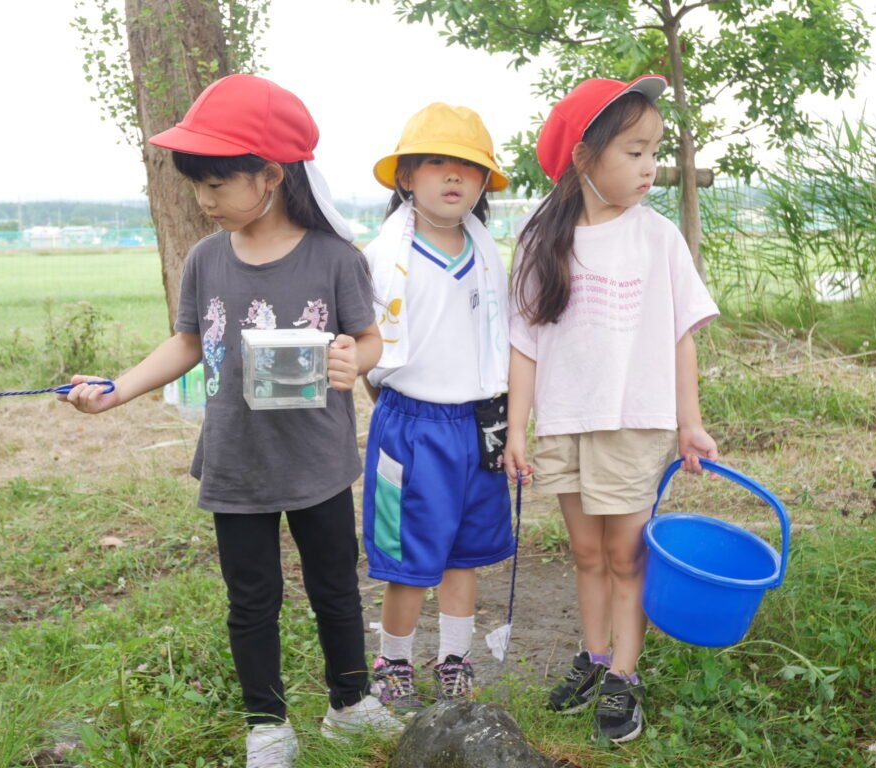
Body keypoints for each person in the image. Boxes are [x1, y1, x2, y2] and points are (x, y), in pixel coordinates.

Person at [59, 74, 401, 768]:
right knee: (251, 599)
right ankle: (266, 725)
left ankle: (349, 703)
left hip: (318, 463)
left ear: (271, 175)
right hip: (236, 462)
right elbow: (187, 342)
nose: (203, 199)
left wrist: (349, 357)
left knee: (334, 585)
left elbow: (369, 341)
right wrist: (116, 389)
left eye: (217, 183)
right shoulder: (206, 260)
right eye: (196, 185)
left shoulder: (335, 259)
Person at [503, 75, 720, 744]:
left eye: (655, 149)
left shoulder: (658, 240)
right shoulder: (543, 236)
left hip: (634, 421)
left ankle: (627, 675)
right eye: (634, 151)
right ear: (583, 158)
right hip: (565, 422)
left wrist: (690, 421)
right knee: (586, 552)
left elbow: (681, 334)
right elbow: (525, 344)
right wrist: (516, 430)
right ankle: (594, 659)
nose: (651, 165)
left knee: (626, 555)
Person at [361, 103, 514, 714]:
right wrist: (398, 409)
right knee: (407, 557)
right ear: (405, 178)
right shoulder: (382, 256)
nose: (453, 177)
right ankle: (394, 659)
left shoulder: (488, 255)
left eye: (469, 168)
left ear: (482, 185)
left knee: (464, 550)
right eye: (436, 163)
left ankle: (455, 658)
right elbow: (370, 348)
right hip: (411, 425)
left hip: (476, 423)